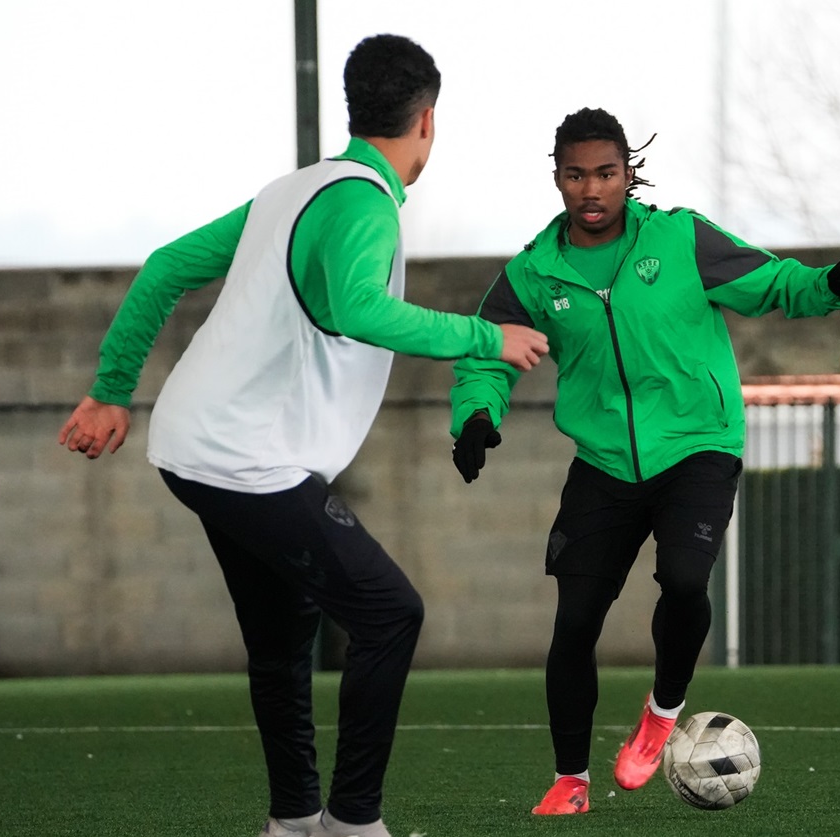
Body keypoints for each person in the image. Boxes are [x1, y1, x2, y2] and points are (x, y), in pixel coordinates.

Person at [58, 34, 549, 837]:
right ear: (428, 121)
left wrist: (112, 392)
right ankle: (353, 822)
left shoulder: (292, 189)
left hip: (197, 447)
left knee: (283, 634)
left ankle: (292, 821)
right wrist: (486, 337)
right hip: (245, 459)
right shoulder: (364, 202)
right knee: (391, 612)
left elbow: (163, 266)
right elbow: (360, 308)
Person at [448, 107, 840, 816]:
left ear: (628, 174)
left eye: (607, 173)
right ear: (557, 178)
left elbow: (771, 283)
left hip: (697, 444)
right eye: (577, 174)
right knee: (575, 621)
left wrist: (832, 282)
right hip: (604, 463)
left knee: (684, 577)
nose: (592, 189)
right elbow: (486, 354)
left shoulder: (680, 238)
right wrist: (475, 415)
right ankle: (570, 779)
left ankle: (661, 712)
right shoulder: (533, 273)